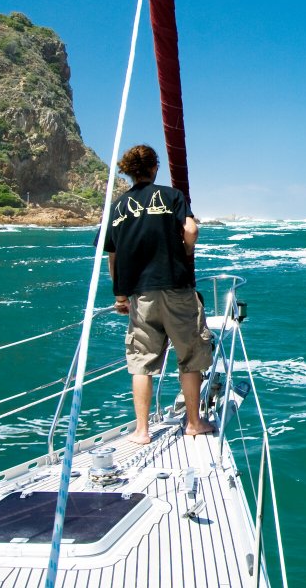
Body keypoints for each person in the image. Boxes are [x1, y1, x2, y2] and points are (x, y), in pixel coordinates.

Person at [103, 144, 214, 444]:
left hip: (141, 296)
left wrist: (120, 297)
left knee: (142, 362)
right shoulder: (172, 195)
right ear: (154, 168)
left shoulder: (116, 207)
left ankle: (141, 431)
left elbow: (113, 256)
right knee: (190, 356)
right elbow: (190, 230)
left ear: (128, 171)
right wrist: (186, 250)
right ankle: (193, 423)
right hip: (176, 288)